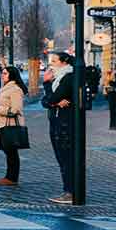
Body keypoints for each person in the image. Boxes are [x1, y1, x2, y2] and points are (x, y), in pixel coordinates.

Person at [43, 51, 77, 204]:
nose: (51, 64)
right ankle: (68, 190)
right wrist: (54, 102)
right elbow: (45, 102)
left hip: (64, 124)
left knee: (66, 158)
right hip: (57, 121)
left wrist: (46, 84)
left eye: (54, 61)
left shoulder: (68, 78)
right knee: (61, 158)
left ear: (64, 62)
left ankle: (70, 192)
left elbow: (51, 98)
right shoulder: (58, 78)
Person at [0, 65, 26, 186]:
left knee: (11, 152)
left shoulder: (15, 89)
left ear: (12, 75)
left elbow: (15, 109)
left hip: (10, 125)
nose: (2, 75)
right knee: (9, 151)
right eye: (2, 73)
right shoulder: (6, 87)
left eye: (5, 73)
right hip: (3, 124)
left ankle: (12, 178)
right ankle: (9, 176)